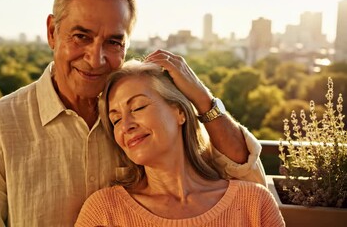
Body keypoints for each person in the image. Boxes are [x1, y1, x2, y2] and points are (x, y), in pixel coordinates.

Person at [0, 0, 265, 226]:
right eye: (81, 36)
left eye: (113, 42)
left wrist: (202, 99)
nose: (95, 58)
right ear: (52, 32)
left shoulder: (151, 123)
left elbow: (248, 184)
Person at [75, 60, 285, 227]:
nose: (126, 126)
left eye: (138, 108)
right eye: (116, 120)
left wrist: (202, 98)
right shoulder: (104, 212)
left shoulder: (253, 203)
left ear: (179, 113)